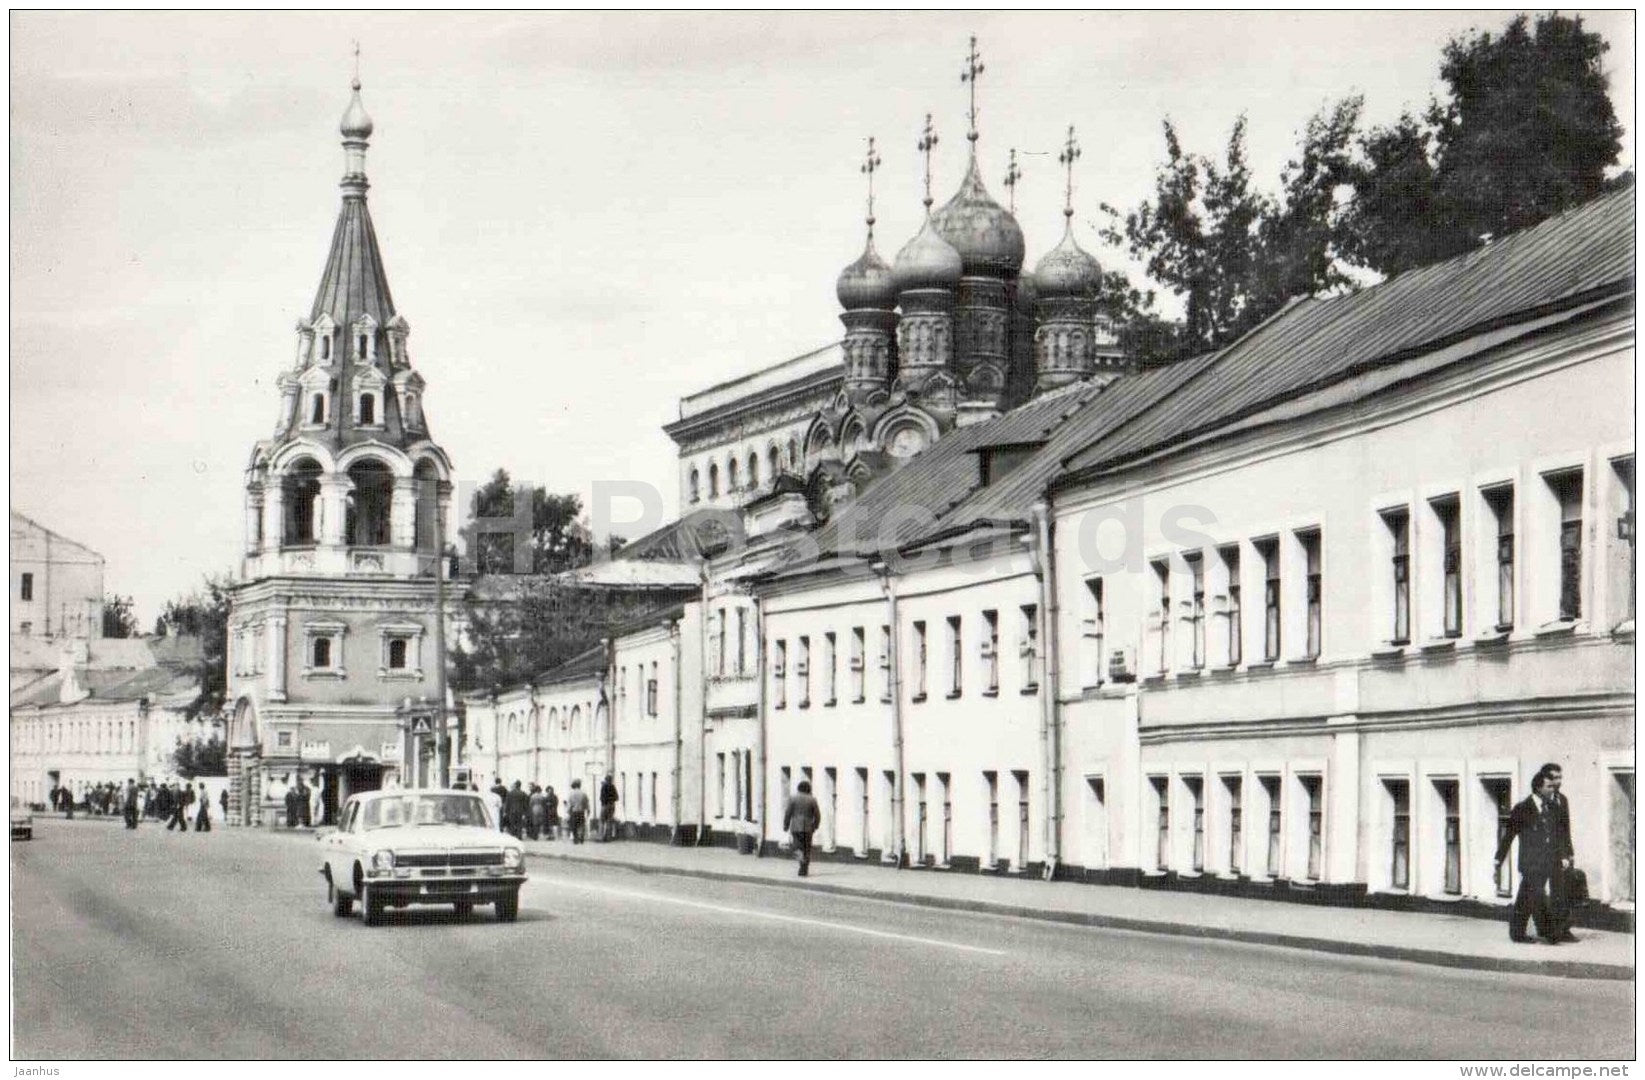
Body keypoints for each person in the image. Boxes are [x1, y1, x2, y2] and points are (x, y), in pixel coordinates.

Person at [1495, 767, 1573, 944]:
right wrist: (1498, 859)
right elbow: (1509, 836)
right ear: (1538, 788)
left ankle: (1517, 933)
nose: (1553, 789)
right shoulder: (1522, 809)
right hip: (1531, 863)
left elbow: (1558, 835)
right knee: (1537, 895)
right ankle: (1550, 933)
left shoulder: (1553, 807)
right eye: (1549, 787)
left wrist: (1563, 856)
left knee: (1525, 898)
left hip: (1549, 861)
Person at [782, 779, 822, 877]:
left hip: (796, 827)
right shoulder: (812, 799)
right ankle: (804, 869)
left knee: (796, 847)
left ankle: (801, 861)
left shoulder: (793, 799)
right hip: (808, 827)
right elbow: (817, 814)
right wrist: (815, 825)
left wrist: (786, 825)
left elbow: (788, 813)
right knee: (807, 848)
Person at [565, 780, 590, 844]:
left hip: (574, 812)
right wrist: (588, 810)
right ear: (579, 785)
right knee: (581, 824)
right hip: (581, 811)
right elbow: (586, 803)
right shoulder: (583, 793)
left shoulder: (571, 794)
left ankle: (576, 838)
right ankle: (581, 836)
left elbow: (569, 804)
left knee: (574, 826)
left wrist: (568, 812)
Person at [599, 774, 619, 841]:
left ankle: (601, 836)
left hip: (604, 805)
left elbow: (601, 797)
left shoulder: (603, 786)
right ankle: (608, 837)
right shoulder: (613, 786)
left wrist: (604, 801)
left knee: (602, 821)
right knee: (609, 821)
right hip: (611, 805)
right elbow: (617, 797)